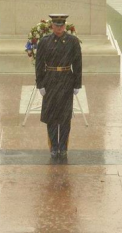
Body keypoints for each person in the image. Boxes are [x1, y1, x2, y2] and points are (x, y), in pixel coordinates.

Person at [35, 14, 82, 160]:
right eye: (56, 25)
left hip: (66, 80)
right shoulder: (44, 42)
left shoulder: (72, 41)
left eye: (61, 25)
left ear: (65, 26)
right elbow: (39, 64)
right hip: (50, 81)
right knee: (51, 116)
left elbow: (78, 63)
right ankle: (54, 146)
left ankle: (63, 146)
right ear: (52, 26)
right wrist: (40, 84)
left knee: (65, 116)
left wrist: (77, 84)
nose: (59, 28)